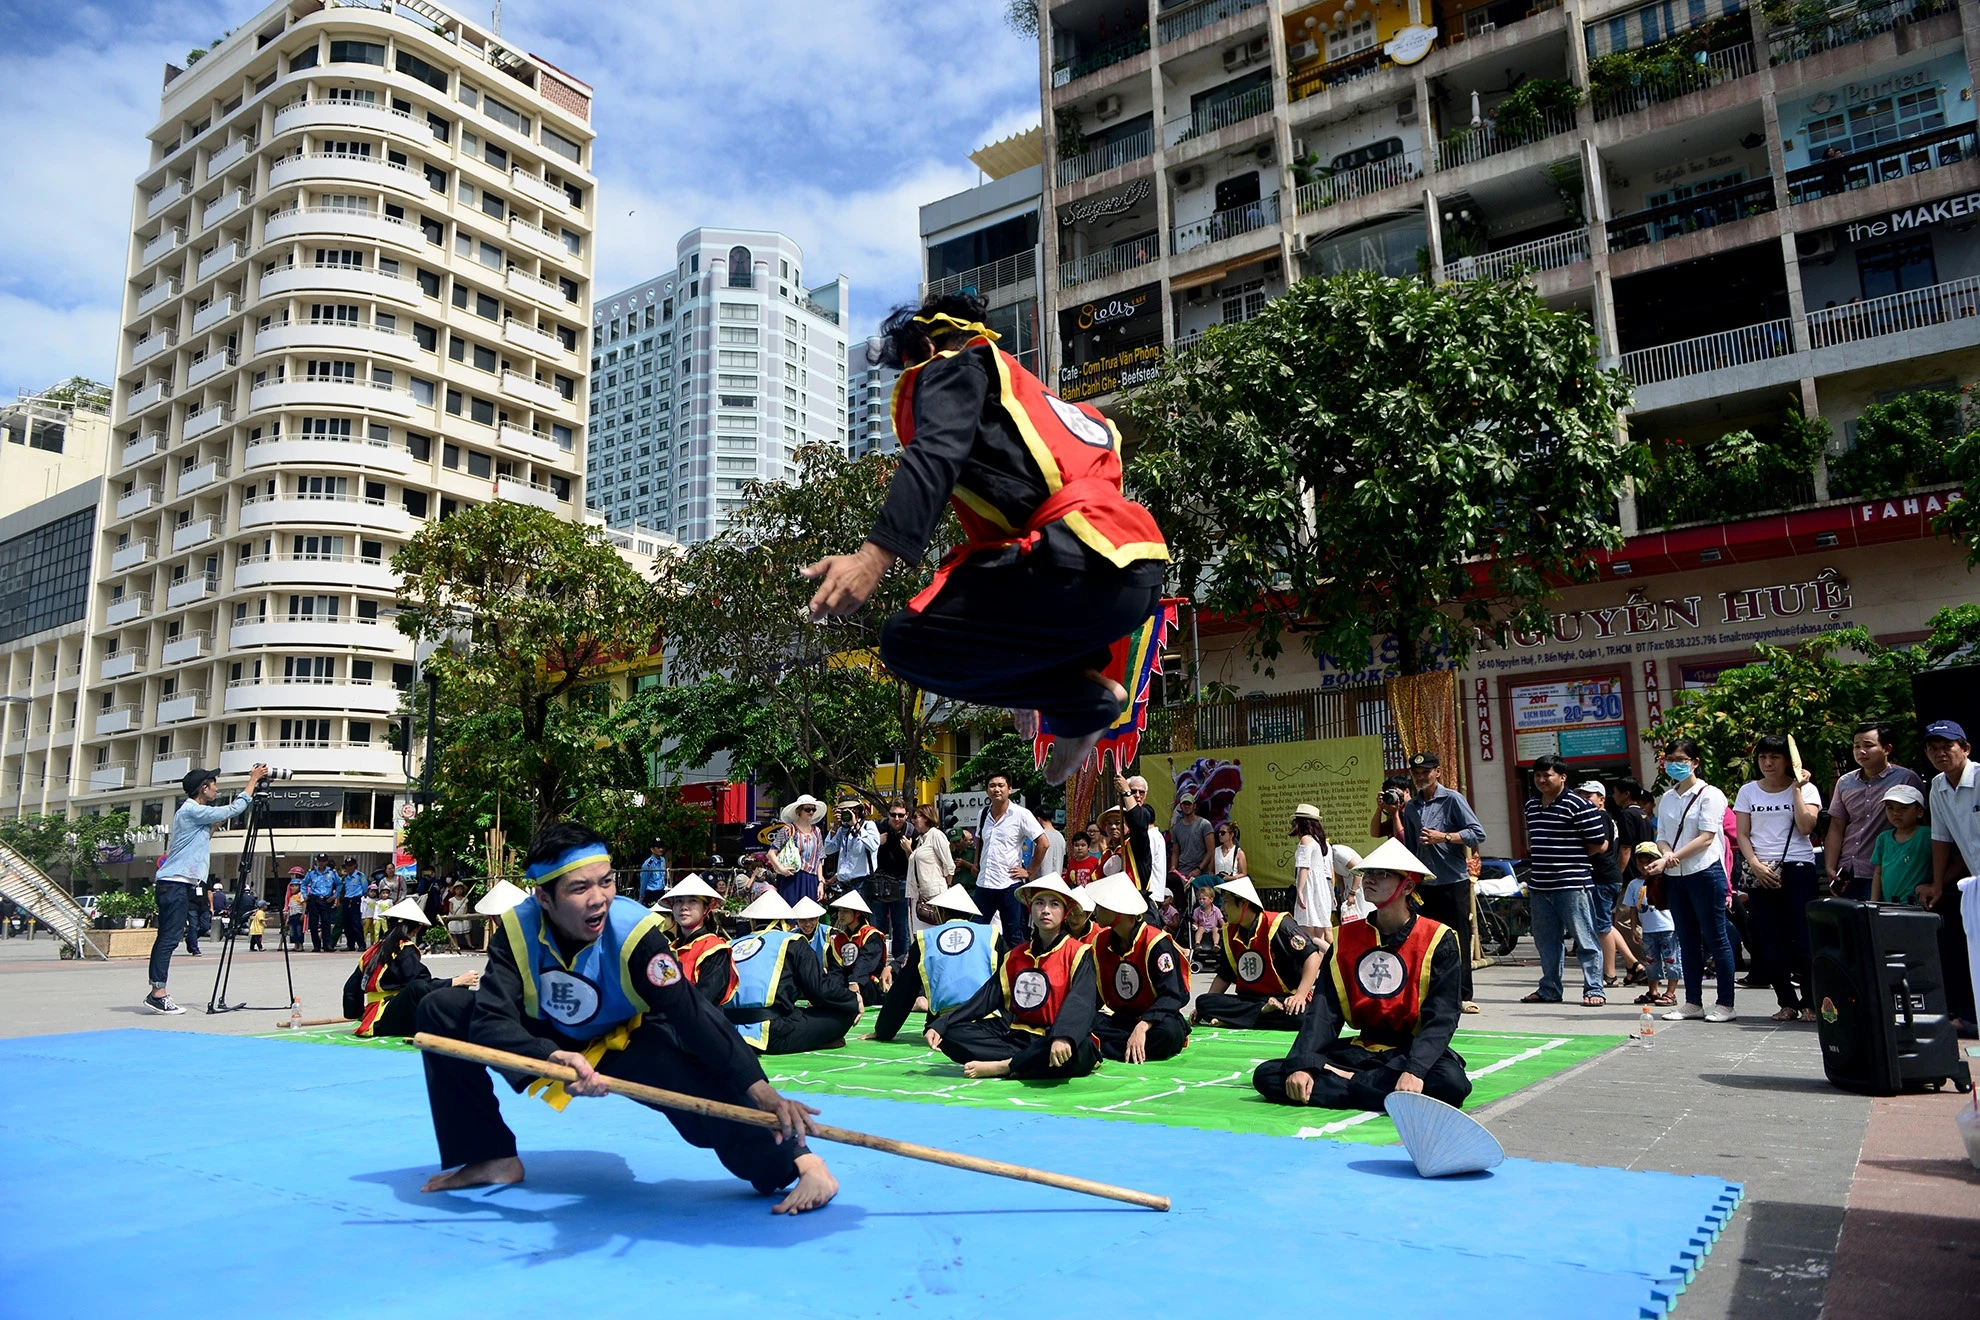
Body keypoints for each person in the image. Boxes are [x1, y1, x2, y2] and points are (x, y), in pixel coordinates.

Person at [801, 292, 1169, 785]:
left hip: (1074, 566)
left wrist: (872, 557)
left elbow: (935, 450)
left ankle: (1077, 703)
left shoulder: (956, 365)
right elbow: (1059, 522)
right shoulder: (1046, 404)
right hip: (1132, 574)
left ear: (927, 347)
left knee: (903, 640)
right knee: (979, 598)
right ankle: (1078, 700)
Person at [410, 821, 838, 1214]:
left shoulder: (635, 935)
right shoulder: (517, 931)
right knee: (441, 1010)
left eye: (607, 881)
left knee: (703, 1104)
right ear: (544, 897)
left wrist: (763, 1092)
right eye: (579, 889)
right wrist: (549, 1056)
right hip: (548, 1037)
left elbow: (692, 1014)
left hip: (624, 1039)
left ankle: (802, 1163)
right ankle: (491, 1156)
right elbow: (490, 1019)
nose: (598, 898)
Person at [1252, 839, 1471, 1112]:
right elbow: (1324, 1012)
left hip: (1410, 1052)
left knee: (1450, 1083)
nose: (1370, 880)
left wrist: (1415, 1070)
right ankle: (1383, 1091)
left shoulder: (1439, 939)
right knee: (1270, 1074)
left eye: (1382, 874)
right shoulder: (1345, 938)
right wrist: (1305, 1063)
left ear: (1409, 886)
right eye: (1368, 873)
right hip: (1360, 1050)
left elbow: (1443, 1016)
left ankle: (1348, 1083)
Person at [924, 875, 1102, 1079]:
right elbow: (984, 999)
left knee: (1077, 1050)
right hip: (1018, 1039)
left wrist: (1063, 1036)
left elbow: (1081, 1001)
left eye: (1054, 904)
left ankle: (1006, 1066)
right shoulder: (1015, 956)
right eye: (1039, 903)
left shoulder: (1078, 953)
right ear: (1030, 907)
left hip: (1054, 1038)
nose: (1045, 910)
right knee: (950, 1033)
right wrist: (942, 1023)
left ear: (1065, 913)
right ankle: (1026, 1063)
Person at [144, 765, 269, 1013]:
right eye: (214, 784)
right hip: (175, 883)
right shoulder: (191, 810)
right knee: (168, 938)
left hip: (181, 884)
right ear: (204, 788)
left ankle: (157, 991)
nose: (217, 788)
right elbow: (235, 808)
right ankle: (157, 994)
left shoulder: (194, 813)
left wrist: (214, 825)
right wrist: (253, 780)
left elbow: (198, 842)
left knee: (173, 936)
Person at [1640, 738, 1739, 1023]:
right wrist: (1667, 854)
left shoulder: (1712, 795)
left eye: (1681, 760)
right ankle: (1693, 1001)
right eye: (1670, 759)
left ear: (1695, 763)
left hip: (1705, 872)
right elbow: (1661, 836)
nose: (1675, 764)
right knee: (1686, 938)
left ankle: (1725, 1004)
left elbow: (1706, 838)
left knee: (1716, 937)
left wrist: (1671, 858)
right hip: (1675, 877)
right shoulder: (1668, 797)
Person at [1734, 735, 1823, 1024]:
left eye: (1774, 757)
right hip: (1761, 870)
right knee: (1769, 940)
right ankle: (1786, 1001)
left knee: (1803, 938)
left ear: (1788, 761)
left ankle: (1811, 1002)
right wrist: (1755, 864)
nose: (1768, 763)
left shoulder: (1807, 789)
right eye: (1762, 758)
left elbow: (1806, 826)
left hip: (1798, 867)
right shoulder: (1748, 791)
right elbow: (1743, 835)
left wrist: (1796, 789)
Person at [1386, 753, 1485, 1012]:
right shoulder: (1413, 806)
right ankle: (1429, 993)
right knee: (1424, 939)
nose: (1421, 776)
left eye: (1426, 771)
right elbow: (1408, 846)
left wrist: (1446, 837)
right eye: (1416, 772)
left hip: (1453, 882)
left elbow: (1478, 833)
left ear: (1437, 772)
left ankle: (1463, 995)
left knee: (1458, 938)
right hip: (1423, 884)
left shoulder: (1452, 799)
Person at [1519, 755, 1610, 1008]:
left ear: (1562, 777)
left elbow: (1599, 843)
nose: (1541, 780)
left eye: (1546, 775)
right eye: (1537, 775)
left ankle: (1595, 989)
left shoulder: (1578, 805)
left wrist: (1571, 858)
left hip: (1572, 885)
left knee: (1585, 939)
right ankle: (1549, 988)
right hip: (1540, 885)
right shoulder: (1531, 806)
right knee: (1546, 942)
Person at [723, 892, 862, 1055]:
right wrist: (852, 1000)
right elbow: (819, 990)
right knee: (843, 1012)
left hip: (727, 1029)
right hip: (772, 1033)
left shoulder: (730, 944)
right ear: (785, 921)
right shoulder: (793, 941)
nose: (808, 923)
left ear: (753, 921)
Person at [869, 885, 998, 1043]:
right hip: (990, 1021)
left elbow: (904, 989)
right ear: (970, 915)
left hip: (945, 1026)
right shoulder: (991, 934)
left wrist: (883, 1031)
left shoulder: (926, 939)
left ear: (940, 912)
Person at [1192, 875, 1322, 1030]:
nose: (1222, 908)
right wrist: (1204, 1006)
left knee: (1302, 1016)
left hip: (1283, 998)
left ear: (1244, 904)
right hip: (1249, 1000)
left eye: (1226, 902)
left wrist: (1300, 995)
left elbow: (1312, 957)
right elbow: (1224, 975)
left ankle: (1235, 1019)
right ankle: (1259, 1013)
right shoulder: (1229, 931)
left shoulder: (1279, 925)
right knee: (1204, 1002)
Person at [1085, 873, 1190, 1063]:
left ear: (1117, 910)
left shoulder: (1156, 943)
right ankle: (1127, 1046)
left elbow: (1172, 996)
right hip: (1123, 1020)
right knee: (1084, 1020)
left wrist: (1143, 1026)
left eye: (1100, 906)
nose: (1095, 912)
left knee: (1168, 1034)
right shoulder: (1100, 942)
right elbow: (1095, 996)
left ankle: (1103, 1046)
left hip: (1156, 1020)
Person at [345, 898, 479, 1038]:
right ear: (417, 928)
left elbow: (350, 989)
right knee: (422, 987)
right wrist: (456, 981)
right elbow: (421, 986)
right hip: (391, 1017)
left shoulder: (371, 951)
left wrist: (359, 1014)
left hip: (376, 1017)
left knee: (436, 986)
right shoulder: (404, 948)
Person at [1824, 721, 1924, 901]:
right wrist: (1830, 866)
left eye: (1868, 745)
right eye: (1856, 746)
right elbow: (1837, 826)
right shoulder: (1845, 782)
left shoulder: (1906, 779)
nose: (1861, 751)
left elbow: (1920, 824)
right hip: (1848, 870)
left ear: (1887, 749)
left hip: (1886, 869)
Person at [1923, 720, 1979, 1036]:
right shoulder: (1938, 787)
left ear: (1965, 748)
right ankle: (1971, 1016)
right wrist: (1936, 883)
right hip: (1974, 885)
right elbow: (1941, 838)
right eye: (1933, 748)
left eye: (1947, 746)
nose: (1940, 753)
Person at [1577, 781, 1642, 988]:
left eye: (1589, 796)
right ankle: (1633, 966)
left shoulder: (1600, 816)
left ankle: (1610, 975)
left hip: (1603, 878)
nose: (1585, 800)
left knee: (1602, 927)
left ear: (1601, 799)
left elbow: (1602, 845)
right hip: (1608, 877)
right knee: (1605, 924)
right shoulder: (1605, 817)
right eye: (1582, 796)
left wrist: (1578, 855)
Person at [972, 773, 1044, 945]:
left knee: (1013, 936)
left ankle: (1014, 970)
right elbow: (980, 840)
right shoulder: (982, 814)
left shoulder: (1021, 814)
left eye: (1001, 785)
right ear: (987, 790)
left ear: (1009, 789)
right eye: (992, 785)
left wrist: (1029, 871)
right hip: (984, 884)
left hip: (1009, 885)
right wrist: (976, 863)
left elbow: (1043, 843)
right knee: (975, 932)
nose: (996, 789)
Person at [660, 874, 738, 1008]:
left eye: (692, 901)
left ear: (706, 909)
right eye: (678, 901)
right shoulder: (668, 948)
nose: (684, 906)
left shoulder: (715, 949)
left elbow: (703, 998)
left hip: (701, 1024)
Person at [1625, 846, 1680, 1009]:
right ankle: (1653, 991)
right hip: (1648, 930)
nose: (1644, 865)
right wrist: (1634, 927)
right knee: (1651, 962)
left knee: (1671, 960)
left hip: (1668, 927)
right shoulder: (1634, 884)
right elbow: (1633, 908)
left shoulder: (1665, 880)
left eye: (1649, 861)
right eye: (1640, 862)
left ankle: (1671, 992)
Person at [1869, 785, 1931, 905]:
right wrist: (1873, 902)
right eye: (1890, 808)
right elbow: (1878, 872)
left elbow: (1955, 861)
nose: (1896, 813)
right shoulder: (1883, 838)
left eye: (1903, 808)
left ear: (1919, 812)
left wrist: (1935, 885)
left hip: (1918, 904)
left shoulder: (1926, 835)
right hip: (1889, 904)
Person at [868, 801, 914, 963]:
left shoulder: (911, 831)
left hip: (901, 882)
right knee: (876, 926)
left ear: (906, 816)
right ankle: (876, 963)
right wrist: (876, 843)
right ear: (887, 814)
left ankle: (901, 964)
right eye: (893, 814)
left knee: (901, 927)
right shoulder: (876, 827)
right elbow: (861, 850)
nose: (896, 818)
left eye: (901, 815)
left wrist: (909, 850)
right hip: (878, 882)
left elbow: (916, 862)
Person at [825, 891, 889, 1007]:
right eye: (840, 911)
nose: (841, 915)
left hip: (868, 984)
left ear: (857, 913)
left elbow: (865, 963)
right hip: (847, 983)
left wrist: (854, 981)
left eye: (845, 911)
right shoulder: (839, 939)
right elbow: (836, 970)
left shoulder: (872, 935)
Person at [766, 794, 826, 907]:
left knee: (809, 915)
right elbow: (771, 853)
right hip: (792, 878)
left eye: (813, 809)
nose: (811, 812)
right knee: (791, 915)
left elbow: (819, 858)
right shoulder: (788, 829)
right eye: (807, 809)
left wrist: (821, 883)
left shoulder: (817, 831)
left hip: (812, 879)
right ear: (799, 811)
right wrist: (781, 869)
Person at [1290, 804, 1335, 945]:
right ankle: (1326, 963)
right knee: (1319, 935)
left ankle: (1330, 958)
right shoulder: (1320, 842)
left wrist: (1299, 890)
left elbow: (1304, 867)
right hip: (1321, 889)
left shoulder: (1306, 840)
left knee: (1306, 935)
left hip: (1310, 888)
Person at [907, 804, 955, 933]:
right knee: (920, 934)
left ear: (926, 818)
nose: (913, 821)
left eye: (915, 817)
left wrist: (947, 886)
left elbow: (949, 865)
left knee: (936, 932)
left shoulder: (936, 835)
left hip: (935, 894)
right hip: (920, 894)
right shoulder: (920, 839)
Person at [823, 799, 880, 904]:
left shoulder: (868, 826)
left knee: (861, 919)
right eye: (842, 810)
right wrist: (835, 827)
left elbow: (874, 846)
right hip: (844, 886)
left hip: (862, 885)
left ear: (857, 810)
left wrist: (856, 826)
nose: (845, 812)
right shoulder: (842, 830)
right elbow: (828, 849)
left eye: (849, 809)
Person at [1170, 793, 1215, 881]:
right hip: (1182, 873)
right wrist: (1173, 868)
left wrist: (1199, 869)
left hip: (1201, 874)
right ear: (1181, 806)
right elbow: (1175, 852)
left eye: (1189, 804)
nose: (1187, 806)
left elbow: (1211, 851)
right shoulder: (1176, 828)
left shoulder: (1204, 824)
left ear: (1194, 806)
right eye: (1184, 804)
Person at [304, 852, 338, 953]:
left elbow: (339, 885)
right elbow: (304, 884)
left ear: (326, 862)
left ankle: (327, 945)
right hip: (314, 899)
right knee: (313, 924)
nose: (321, 863)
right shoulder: (312, 873)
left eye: (323, 861)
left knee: (326, 923)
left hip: (326, 900)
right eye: (319, 861)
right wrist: (305, 895)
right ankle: (316, 946)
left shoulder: (332, 873)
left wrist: (334, 896)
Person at [1190, 880, 1224, 966]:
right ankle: (1197, 944)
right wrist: (1194, 925)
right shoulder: (1197, 910)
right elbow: (1196, 922)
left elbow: (1221, 920)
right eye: (1200, 899)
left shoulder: (1216, 910)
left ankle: (1216, 944)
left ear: (1211, 900)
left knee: (1216, 929)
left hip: (1213, 927)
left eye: (1204, 899)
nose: (1201, 901)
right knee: (1200, 928)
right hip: (1203, 927)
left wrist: (1224, 926)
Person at [338, 857, 367, 953]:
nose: (349, 868)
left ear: (355, 865)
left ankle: (361, 944)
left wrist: (360, 898)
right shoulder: (346, 878)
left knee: (356, 923)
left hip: (356, 899)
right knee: (347, 923)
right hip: (347, 899)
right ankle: (350, 944)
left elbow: (365, 889)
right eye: (347, 866)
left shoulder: (360, 876)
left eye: (351, 865)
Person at [638, 839, 670, 905]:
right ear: (652, 849)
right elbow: (644, 881)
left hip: (661, 891)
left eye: (662, 847)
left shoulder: (662, 860)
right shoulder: (648, 864)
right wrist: (641, 897)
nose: (661, 849)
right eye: (658, 847)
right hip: (651, 893)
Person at [184, 879, 209, 957]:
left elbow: (209, 892)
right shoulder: (188, 879)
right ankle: (195, 949)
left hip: (203, 906)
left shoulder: (205, 878)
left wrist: (211, 906)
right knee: (193, 927)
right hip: (191, 906)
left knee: (205, 927)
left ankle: (189, 939)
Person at [361, 882, 384, 948]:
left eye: (374, 892)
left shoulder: (377, 900)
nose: (373, 893)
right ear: (368, 892)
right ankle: (363, 943)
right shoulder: (365, 899)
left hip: (374, 917)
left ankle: (373, 943)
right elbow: (363, 909)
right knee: (365, 930)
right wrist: (363, 917)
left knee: (373, 931)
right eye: (371, 891)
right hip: (367, 917)